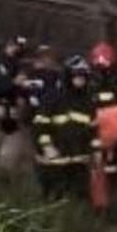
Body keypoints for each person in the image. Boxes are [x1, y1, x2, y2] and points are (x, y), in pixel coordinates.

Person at [32, 55, 95, 200]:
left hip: (78, 162)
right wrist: (47, 146)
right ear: (68, 76)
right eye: (77, 76)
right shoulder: (52, 98)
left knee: (80, 198)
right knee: (54, 198)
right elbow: (40, 126)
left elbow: (92, 129)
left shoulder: (87, 101)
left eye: (83, 77)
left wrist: (94, 151)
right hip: (53, 162)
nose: (81, 80)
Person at [89, 42, 117, 192]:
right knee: (99, 157)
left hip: (110, 124)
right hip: (98, 124)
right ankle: (99, 188)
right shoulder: (91, 79)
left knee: (111, 159)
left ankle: (109, 188)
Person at [0, 36, 28, 135]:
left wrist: (23, 92)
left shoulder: (18, 64)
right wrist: (14, 82)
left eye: (20, 48)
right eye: (15, 46)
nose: (17, 50)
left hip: (14, 111)